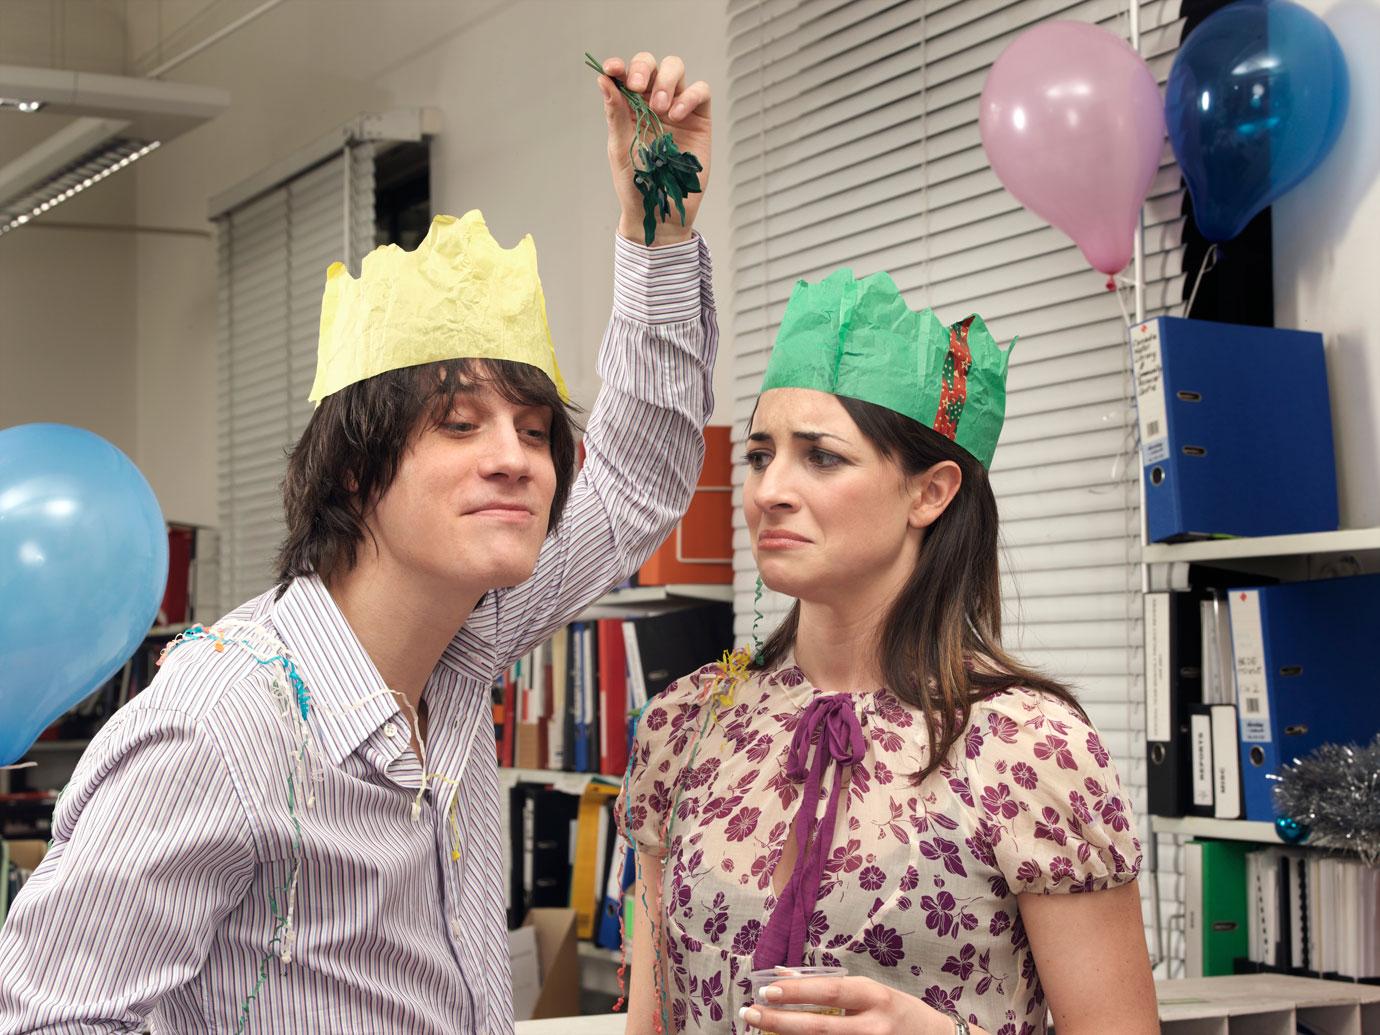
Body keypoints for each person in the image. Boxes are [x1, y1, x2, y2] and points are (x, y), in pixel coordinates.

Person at [0, 52, 715, 1035]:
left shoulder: (465, 642)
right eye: (459, 425)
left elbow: (638, 475)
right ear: (352, 470)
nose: (515, 459)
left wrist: (660, 225)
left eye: (535, 429)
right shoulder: (222, 724)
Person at [619, 270, 1159, 1035]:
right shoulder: (686, 725)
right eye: (759, 454)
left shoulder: (1028, 747)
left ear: (929, 493)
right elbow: (654, 1021)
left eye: (822, 457)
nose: (769, 489)